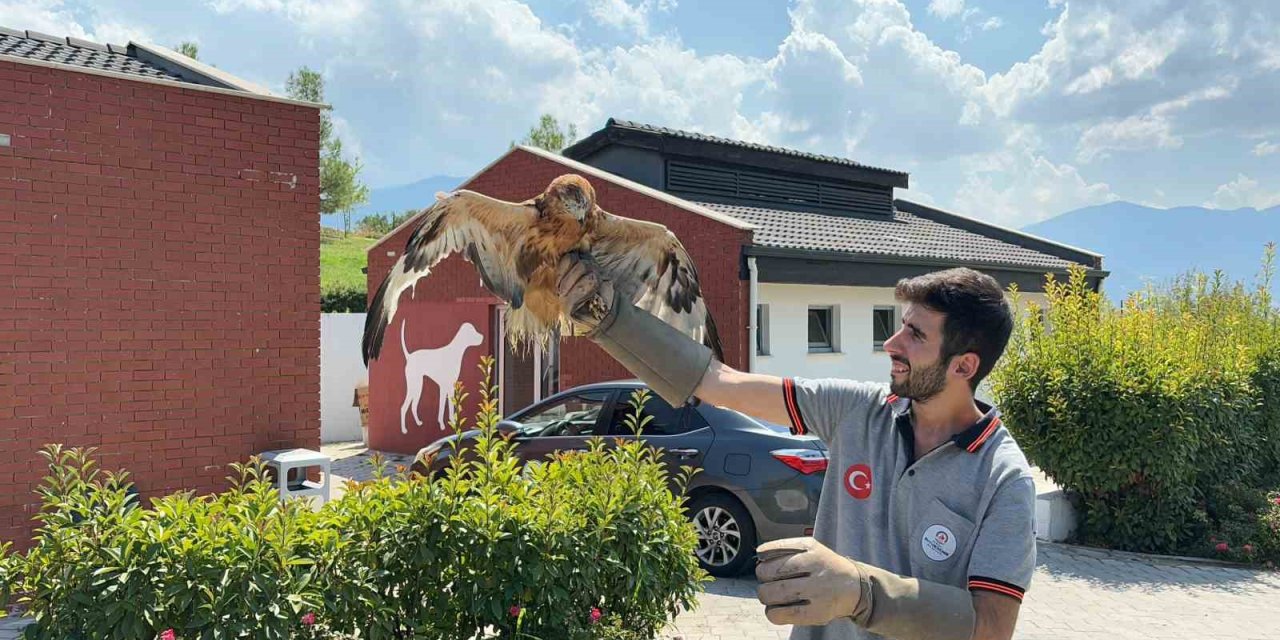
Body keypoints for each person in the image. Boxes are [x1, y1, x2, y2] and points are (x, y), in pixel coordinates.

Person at [554, 253, 1036, 640]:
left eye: (915, 334)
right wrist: (610, 319)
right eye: (898, 325)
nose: (891, 343)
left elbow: (991, 627)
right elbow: (716, 381)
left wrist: (862, 592)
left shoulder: (1003, 479)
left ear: (963, 366)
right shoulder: (859, 411)